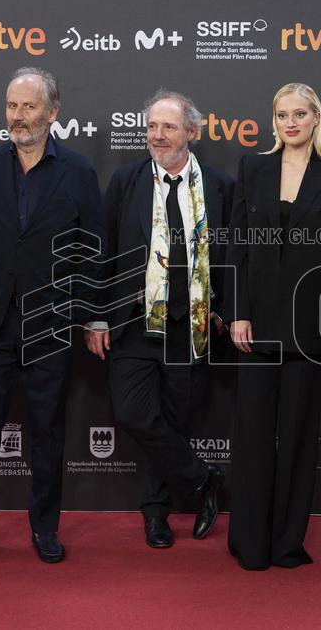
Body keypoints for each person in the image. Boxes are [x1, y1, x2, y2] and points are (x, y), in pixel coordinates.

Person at [0, 67, 105, 566]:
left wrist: (82, 314)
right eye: (12, 106)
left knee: (47, 431)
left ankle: (45, 527)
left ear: (53, 112)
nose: (18, 117)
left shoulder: (79, 172)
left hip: (50, 325)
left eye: (29, 107)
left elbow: (92, 250)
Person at [84, 90, 231, 549]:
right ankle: (203, 478)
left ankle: (156, 514)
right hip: (133, 321)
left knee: (173, 419)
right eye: (151, 127)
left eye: (168, 127)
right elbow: (102, 251)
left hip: (191, 327)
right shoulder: (126, 182)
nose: (158, 136)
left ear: (192, 132)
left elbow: (235, 254)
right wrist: (97, 317)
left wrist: (226, 309)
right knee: (134, 414)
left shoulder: (219, 185)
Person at [223, 82, 321, 570]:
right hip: (255, 325)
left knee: (298, 438)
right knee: (254, 437)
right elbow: (235, 246)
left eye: (300, 114)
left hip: (309, 325)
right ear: (273, 121)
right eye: (282, 115)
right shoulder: (252, 167)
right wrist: (237, 311)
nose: (291, 123)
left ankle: (286, 545)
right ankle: (250, 544)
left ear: (317, 118)